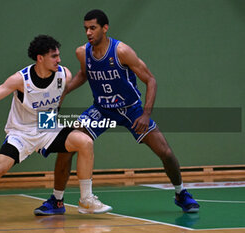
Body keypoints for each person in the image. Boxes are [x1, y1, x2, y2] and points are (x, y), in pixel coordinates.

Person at [34, 10, 200, 215]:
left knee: (165, 151)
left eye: (93, 28)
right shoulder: (82, 52)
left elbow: (151, 80)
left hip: (131, 110)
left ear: (105, 28)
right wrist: (63, 91)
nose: (88, 32)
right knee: (67, 146)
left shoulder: (122, 51)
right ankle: (57, 201)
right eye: (85, 28)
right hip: (101, 110)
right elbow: (84, 75)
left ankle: (181, 192)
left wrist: (146, 114)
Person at [0, 35, 112, 224]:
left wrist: (52, 119)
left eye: (58, 55)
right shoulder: (20, 79)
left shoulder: (64, 75)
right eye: (54, 56)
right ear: (40, 58)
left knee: (85, 142)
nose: (59, 60)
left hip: (47, 126)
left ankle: (86, 200)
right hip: (21, 132)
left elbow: (58, 98)